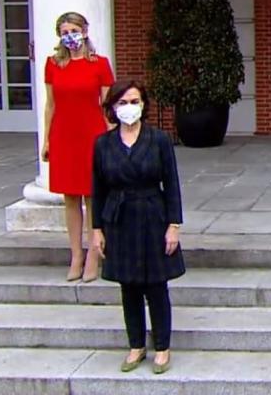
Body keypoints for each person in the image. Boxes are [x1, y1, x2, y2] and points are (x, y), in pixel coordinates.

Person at [92, 81, 185, 374]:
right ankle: (135, 346)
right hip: (119, 219)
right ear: (112, 108)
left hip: (152, 215)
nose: (129, 108)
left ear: (143, 105)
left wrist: (173, 225)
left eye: (134, 101)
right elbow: (98, 188)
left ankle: (162, 347)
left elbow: (171, 183)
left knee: (156, 287)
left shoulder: (158, 140)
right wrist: (97, 229)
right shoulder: (103, 144)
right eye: (122, 103)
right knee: (128, 286)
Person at [42, 12, 115, 282]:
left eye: (73, 29)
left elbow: (108, 106)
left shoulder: (100, 65)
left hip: (92, 134)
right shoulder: (53, 64)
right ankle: (76, 254)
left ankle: (95, 254)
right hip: (64, 135)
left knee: (92, 195)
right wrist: (47, 139)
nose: (69, 35)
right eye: (64, 32)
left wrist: (112, 139)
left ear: (84, 31)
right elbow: (51, 105)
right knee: (70, 197)